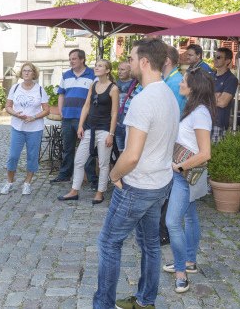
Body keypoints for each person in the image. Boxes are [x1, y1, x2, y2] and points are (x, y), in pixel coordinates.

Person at [94, 38, 179, 309]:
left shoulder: (145, 100)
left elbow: (131, 156)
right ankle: (145, 301)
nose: (128, 64)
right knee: (150, 244)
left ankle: (103, 305)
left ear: (144, 62)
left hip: (139, 186)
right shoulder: (168, 94)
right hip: (160, 183)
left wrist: (113, 175)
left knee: (109, 243)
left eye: (130, 59)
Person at [164, 69, 215, 293]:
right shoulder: (194, 109)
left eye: (183, 81)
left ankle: (181, 272)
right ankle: (189, 261)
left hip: (185, 174)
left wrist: (180, 166)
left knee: (172, 222)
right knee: (190, 215)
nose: (180, 84)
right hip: (184, 173)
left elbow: (205, 153)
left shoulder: (200, 113)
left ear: (194, 87)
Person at [58, 59, 119, 204]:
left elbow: (115, 113)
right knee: (79, 161)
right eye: (96, 65)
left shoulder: (113, 88)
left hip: (104, 130)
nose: (96, 68)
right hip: (89, 128)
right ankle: (74, 190)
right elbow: (86, 106)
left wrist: (111, 134)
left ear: (107, 70)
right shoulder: (93, 84)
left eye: (100, 66)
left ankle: (100, 192)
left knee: (103, 164)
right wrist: (80, 126)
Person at [51, 49, 98, 188]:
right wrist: (60, 111)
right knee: (67, 148)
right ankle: (65, 175)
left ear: (82, 59)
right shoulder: (66, 75)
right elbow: (61, 94)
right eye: (70, 59)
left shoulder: (92, 75)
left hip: (84, 119)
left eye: (74, 59)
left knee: (88, 149)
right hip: (67, 117)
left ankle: (92, 180)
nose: (71, 61)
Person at [2, 62, 50, 195]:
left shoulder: (40, 89)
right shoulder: (15, 88)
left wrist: (34, 117)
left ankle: (27, 183)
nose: (27, 73)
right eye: (24, 71)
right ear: (21, 73)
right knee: (13, 156)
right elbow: (8, 106)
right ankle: (9, 182)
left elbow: (46, 110)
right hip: (18, 127)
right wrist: (15, 113)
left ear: (34, 73)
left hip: (35, 129)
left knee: (32, 157)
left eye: (29, 71)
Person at [212, 47, 239, 142]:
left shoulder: (231, 79)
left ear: (227, 60)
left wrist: (205, 96)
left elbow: (223, 102)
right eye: (214, 56)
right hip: (204, 121)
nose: (214, 59)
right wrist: (216, 96)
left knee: (213, 155)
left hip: (218, 123)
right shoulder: (210, 76)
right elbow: (197, 95)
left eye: (218, 57)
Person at [114, 62, 134, 153]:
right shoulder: (115, 83)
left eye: (122, 69)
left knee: (129, 149)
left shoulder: (135, 84)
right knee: (120, 150)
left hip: (129, 122)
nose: (119, 72)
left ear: (130, 71)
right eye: (118, 69)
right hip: (118, 122)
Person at [163, 45, 185, 115]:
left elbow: (175, 114)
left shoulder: (177, 83)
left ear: (166, 61)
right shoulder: (169, 79)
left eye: (157, 57)